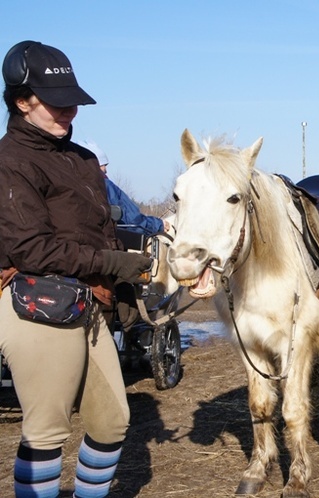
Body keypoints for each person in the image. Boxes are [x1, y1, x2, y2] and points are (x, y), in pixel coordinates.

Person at [0, 40, 153, 498]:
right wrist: (115, 263)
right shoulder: (10, 162)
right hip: (36, 301)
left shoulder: (83, 159)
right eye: (57, 102)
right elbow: (32, 248)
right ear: (22, 101)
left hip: (87, 303)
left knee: (112, 423)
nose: (69, 111)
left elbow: (101, 230)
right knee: (47, 433)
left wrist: (121, 288)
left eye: (73, 101)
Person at [78, 140, 169, 236]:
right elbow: (131, 221)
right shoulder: (104, 186)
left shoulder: (70, 184)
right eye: (104, 165)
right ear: (95, 163)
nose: (106, 170)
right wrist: (158, 225)